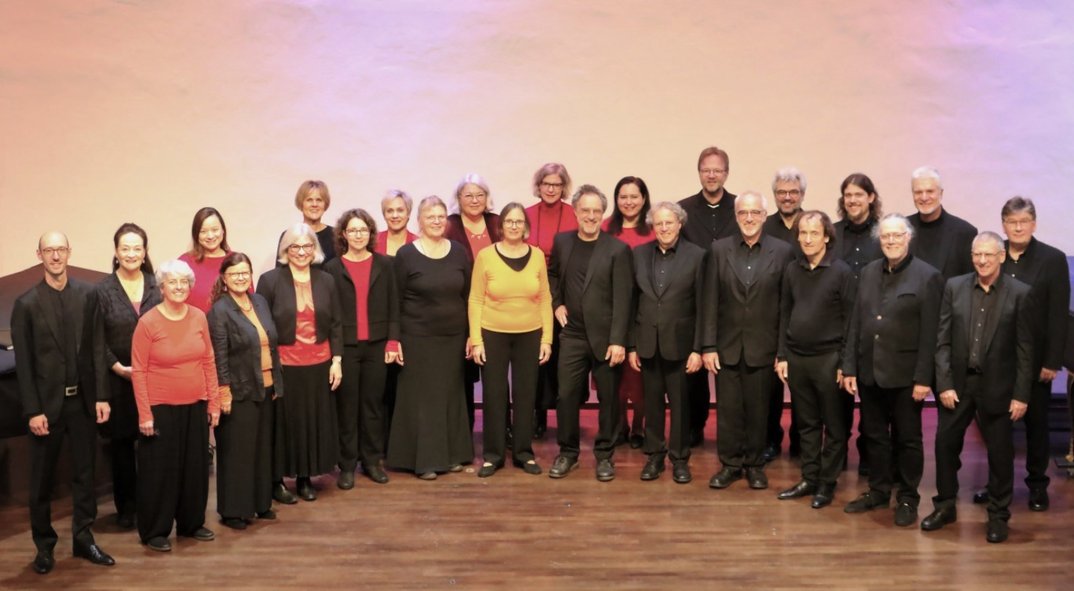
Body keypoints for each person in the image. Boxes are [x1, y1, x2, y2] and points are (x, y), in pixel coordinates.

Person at [12, 231, 115, 574]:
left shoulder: (88, 295)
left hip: (82, 402)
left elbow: (98, 348)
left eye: (60, 249)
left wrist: (102, 395)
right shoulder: (26, 304)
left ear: (69, 252)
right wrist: (32, 410)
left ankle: (84, 538)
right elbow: (24, 364)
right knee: (41, 481)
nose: (55, 256)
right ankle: (44, 546)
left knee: (84, 475)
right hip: (46, 408)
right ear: (39, 254)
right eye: (48, 250)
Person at [922, 232, 1032, 543]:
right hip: (958, 384)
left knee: (999, 454)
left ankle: (998, 516)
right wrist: (942, 383)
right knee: (944, 445)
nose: (982, 261)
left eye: (988, 255)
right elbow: (941, 340)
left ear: (1001, 256)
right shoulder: (954, 287)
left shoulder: (1021, 293)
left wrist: (1021, 394)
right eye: (976, 255)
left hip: (999, 386)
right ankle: (945, 506)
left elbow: (1026, 349)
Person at [841, 214, 943, 527]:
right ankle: (879, 490)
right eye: (885, 236)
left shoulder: (928, 276)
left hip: (906, 375)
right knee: (874, 436)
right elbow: (856, 323)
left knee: (908, 440)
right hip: (870, 370)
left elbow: (931, 334)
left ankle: (909, 498)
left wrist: (924, 378)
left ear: (908, 238)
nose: (891, 241)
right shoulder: (869, 272)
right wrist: (849, 367)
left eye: (897, 235)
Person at [969, 197, 1070, 510]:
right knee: (995, 428)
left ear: (1034, 224)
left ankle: (1037, 485)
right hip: (995, 360)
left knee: (1036, 426)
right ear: (1003, 225)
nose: (1017, 227)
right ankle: (997, 484)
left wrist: (1052, 361)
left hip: (1036, 360)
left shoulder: (1051, 259)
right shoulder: (993, 255)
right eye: (1012, 222)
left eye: (1023, 222)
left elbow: (1058, 314)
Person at [703, 191, 794, 491]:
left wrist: (782, 352)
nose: (749, 218)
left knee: (759, 411)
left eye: (755, 213)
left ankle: (755, 465)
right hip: (727, 347)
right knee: (728, 411)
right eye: (743, 213)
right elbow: (710, 301)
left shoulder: (782, 251)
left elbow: (785, 306)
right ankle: (730, 465)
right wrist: (708, 346)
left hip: (764, 348)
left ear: (764, 216)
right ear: (736, 216)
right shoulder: (719, 250)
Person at [131, 259, 221, 552]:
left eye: (184, 282)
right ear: (162, 287)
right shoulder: (147, 323)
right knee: (159, 473)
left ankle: (191, 524)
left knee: (194, 469)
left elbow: (208, 360)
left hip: (195, 405)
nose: (179, 287)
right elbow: (139, 371)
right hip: (160, 408)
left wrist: (213, 403)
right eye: (173, 282)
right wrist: (145, 414)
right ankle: (155, 530)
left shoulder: (198, 317)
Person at [547, 184, 633, 481]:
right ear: (575, 211)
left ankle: (605, 455)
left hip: (607, 339)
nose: (591, 216)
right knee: (566, 395)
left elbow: (625, 298)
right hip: (572, 335)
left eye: (597, 211)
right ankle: (567, 453)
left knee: (609, 400)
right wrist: (556, 303)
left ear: (603, 213)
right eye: (585, 210)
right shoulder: (562, 242)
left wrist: (619, 340)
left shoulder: (617, 250)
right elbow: (553, 274)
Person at [387, 196, 475, 479]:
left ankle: (452, 456)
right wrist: (394, 339)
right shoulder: (407, 255)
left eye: (441, 216)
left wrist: (473, 335)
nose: (436, 221)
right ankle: (424, 460)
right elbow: (395, 301)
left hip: (453, 338)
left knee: (450, 396)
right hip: (417, 338)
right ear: (419, 221)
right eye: (430, 216)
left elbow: (469, 296)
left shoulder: (460, 252)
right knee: (423, 400)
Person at [774, 212, 855, 509]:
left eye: (813, 233)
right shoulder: (792, 270)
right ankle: (809, 477)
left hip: (829, 359)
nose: (807, 238)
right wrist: (782, 354)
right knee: (806, 424)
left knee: (833, 427)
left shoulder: (841, 272)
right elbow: (784, 313)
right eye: (803, 233)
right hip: (797, 357)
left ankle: (827, 482)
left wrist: (845, 364)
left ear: (826, 237)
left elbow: (850, 322)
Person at [256, 224, 343, 502]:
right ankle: (277, 481)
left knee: (311, 423)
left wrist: (337, 360)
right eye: (295, 247)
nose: (302, 252)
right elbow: (263, 325)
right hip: (285, 365)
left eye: (307, 246)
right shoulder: (270, 280)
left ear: (314, 249)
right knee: (284, 426)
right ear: (285, 251)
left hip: (319, 363)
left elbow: (337, 324)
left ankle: (305, 478)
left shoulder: (326, 279)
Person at [469, 202, 553, 477]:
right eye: (509, 221)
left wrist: (547, 339)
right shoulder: (485, 256)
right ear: (501, 226)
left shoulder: (538, 255)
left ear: (525, 227)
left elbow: (545, 299)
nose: (514, 226)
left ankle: (523, 453)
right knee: (494, 395)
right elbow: (476, 299)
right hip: (493, 333)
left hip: (530, 334)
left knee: (526, 395)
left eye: (519, 221)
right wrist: (476, 339)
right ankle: (493, 456)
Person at [629, 202, 707, 484]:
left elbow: (703, 306)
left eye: (669, 223)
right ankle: (654, 456)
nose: (664, 228)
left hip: (682, 345)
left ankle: (679, 458)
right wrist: (632, 346)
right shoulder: (638, 254)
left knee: (681, 405)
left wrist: (699, 348)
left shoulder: (697, 256)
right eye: (659, 223)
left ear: (680, 224)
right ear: (652, 226)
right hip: (647, 343)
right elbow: (632, 302)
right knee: (652, 405)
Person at [91, 223, 161, 530]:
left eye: (137, 248)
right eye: (125, 248)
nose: (131, 254)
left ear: (145, 252)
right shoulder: (102, 291)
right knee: (121, 448)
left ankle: (153, 503)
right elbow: (95, 340)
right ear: (116, 252)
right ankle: (127, 508)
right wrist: (116, 366)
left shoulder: (156, 285)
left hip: (156, 379)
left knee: (152, 444)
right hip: (118, 380)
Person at [208, 252, 284, 529]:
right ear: (224, 280)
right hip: (238, 392)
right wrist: (223, 392)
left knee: (262, 450)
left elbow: (271, 344)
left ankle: (260, 504)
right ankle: (234, 511)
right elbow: (219, 356)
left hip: (265, 387)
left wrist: (276, 382)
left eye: (245, 272)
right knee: (237, 454)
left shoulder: (260, 302)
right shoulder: (220, 310)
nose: (241, 278)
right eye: (234, 274)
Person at [324, 209, 399, 487]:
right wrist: (335, 351)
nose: (358, 235)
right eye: (352, 230)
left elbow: (395, 305)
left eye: (363, 230)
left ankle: (371, 461)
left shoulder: (386, 264)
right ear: (343, 234)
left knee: (373, 406)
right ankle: (346, 465)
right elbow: (330, 315)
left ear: (370, 233)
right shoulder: (332, 268)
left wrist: (393, 340)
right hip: (346, 348)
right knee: (347, 407)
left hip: (378, 346)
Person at [679, 146, 739, 447]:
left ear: (726, 173)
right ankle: (694, 425)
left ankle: (732, 433)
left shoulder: (741, 207)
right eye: (706, 170)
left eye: (717, 170)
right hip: (693, 300)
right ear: (699, 173)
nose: (712, 175)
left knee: (728, 370)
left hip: (732, 301)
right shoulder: (684, 210)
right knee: (694, 370)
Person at [832, 173, 884, 474]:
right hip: (837, 326)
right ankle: (837, 457)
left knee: (872, 400)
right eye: (848, 195)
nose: (852, 200)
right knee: (838, 400)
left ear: (871, 198)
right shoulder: (833, 234)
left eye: (858, 195)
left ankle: (869, 458)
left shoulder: (882, 235)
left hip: (871, 328)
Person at [445, 173, 503, 431]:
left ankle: (501, 428)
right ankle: (464, 428)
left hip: (496, 308)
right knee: (464, 373)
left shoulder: (497, 222)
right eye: (468, 195)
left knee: (497, 374)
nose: (474, 200)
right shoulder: (449, 225)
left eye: (480, 194)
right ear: (458, 198)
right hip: (461, 307)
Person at [526, 163, 577, 438]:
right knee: (535, 357)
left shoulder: (573, 215)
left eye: (556, 184)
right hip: (531, 295)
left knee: (561, 357)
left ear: (563, 187)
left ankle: (566, 416)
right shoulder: (525, 215)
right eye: (546, 183)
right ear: (539, 185)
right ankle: (538, 413)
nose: (550, 188)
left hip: (563, 296)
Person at [760, 167, 808, 462]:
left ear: (802, 194)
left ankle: (802, 442)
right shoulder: (763, 226)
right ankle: (771, 440)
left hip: (803, 315)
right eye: (781, 192)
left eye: (793, 192)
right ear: (775, 195)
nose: (787, 197)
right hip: (769, 317)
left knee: (802, 387)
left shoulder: (812, 224)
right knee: (770, 390)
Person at [604, 176, 655, 448]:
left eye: (634, 196)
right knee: (615, 376)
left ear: (644, 199)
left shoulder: (653, 230)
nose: (628, 202)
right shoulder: (604, 229)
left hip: (644, 313)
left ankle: (639, 426)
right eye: (623, 196)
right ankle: (619, 425)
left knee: (639, 375)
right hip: (610, 313)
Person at [907, 166, 977, 280]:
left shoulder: (965, 232)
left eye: (930, 191)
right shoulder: (902, 229)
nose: (924, 197)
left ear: (941, 193)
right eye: (918, 192)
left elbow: (968, 284)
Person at [179, 207, 232, 312]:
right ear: (196, 234)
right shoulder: (184, 263)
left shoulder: (235, 262)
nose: (210, 236)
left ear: (223, 231)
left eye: (215, 230)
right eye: (203, 231)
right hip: (193, 326)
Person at [292, 179, 337, 262]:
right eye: (309, 200)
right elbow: (280, 272)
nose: (314, 204)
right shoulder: (290, 235)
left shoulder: (336, 235)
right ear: (301, 204)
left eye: (319, 200)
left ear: (325, 204)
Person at [377, 189, 418, 256]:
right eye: (390, 211)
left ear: (408, 213)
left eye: (400, 210)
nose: (395, 215)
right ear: (384, 215)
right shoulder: (373, 242)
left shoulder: (418, 244)